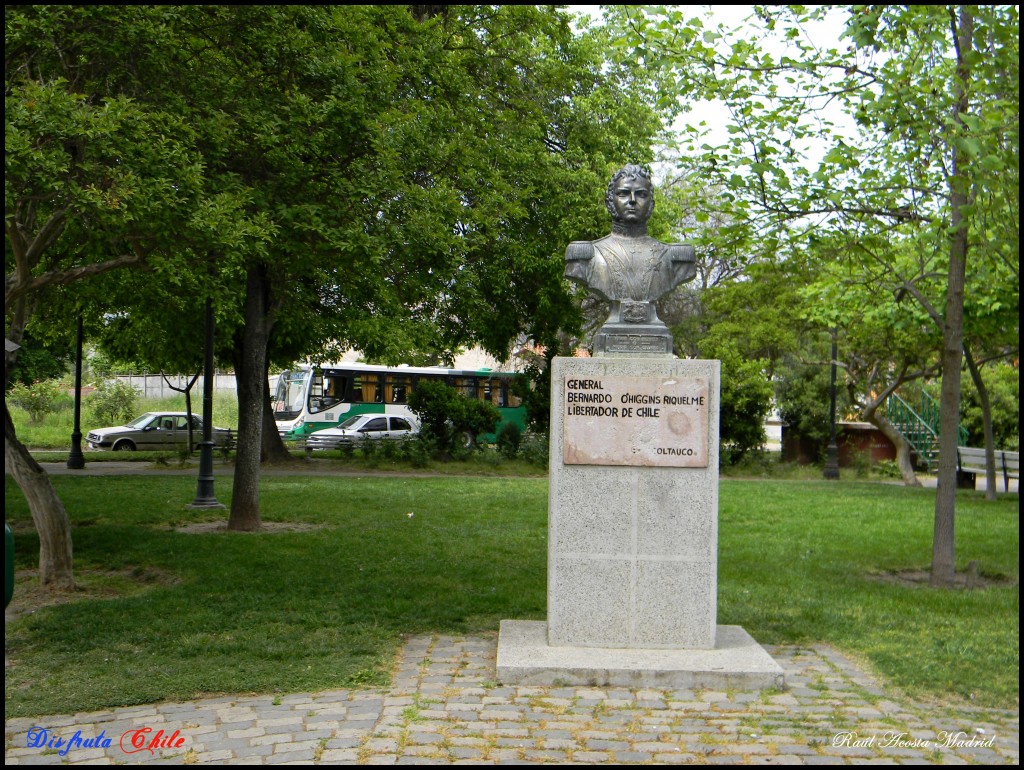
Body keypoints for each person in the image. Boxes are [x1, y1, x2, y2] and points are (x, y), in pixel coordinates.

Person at [565, 165, 696, 324]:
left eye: (641, 194)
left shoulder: (674, 257)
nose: (632, 200)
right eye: (623, 194)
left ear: (651, 204)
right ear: (609, 202)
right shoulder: (587, 255)